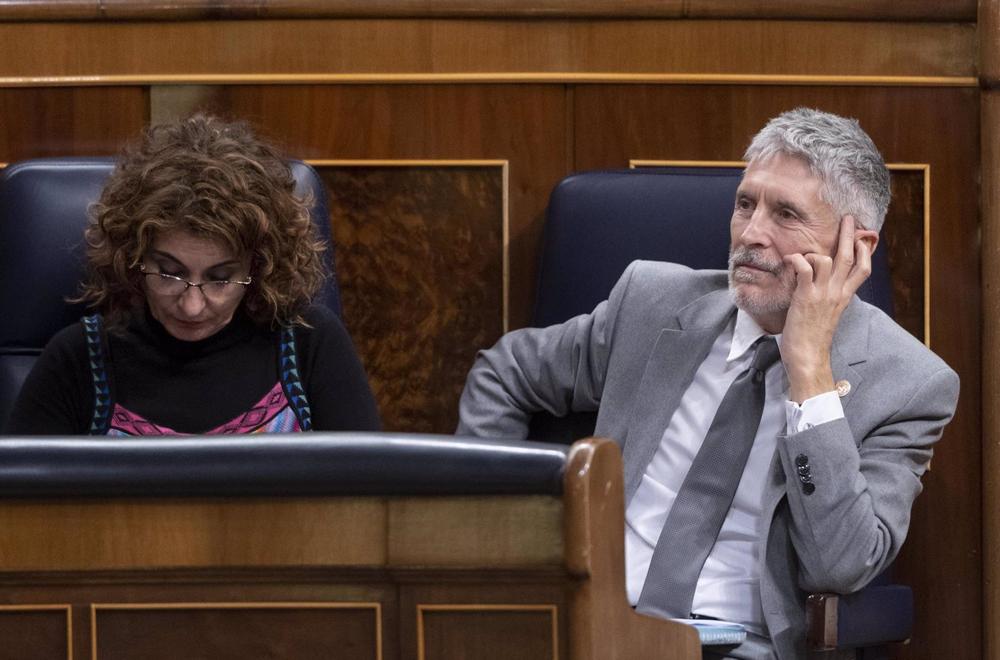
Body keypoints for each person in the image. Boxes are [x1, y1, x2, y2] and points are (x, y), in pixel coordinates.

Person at [456, 108, 959, 659]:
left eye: (786, 214)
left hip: (741, 648)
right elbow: (504, 374)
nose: (751, 234)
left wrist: (809, 371)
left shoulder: (909, 384)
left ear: (856, 249)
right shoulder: (651, 303)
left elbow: (839, 564)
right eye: (746, 204)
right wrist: (496, 540)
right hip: (586, 630)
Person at [5, 114, 380, 436]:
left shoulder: (309, 345)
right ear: (134, 257)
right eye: (169, 273)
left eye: (220, 279)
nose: (192, 305)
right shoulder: (78, 360)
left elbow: (368, 499)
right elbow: (20, 511)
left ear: (259, 267)